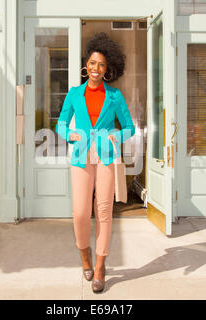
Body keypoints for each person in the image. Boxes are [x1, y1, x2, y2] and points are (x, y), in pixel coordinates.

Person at [55, 32, 135, 293]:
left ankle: (100, 266)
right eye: (92, 63)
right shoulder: (75, 94)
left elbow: (129, 128)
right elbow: (61, 124)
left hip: (106, 157)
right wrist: (70, 134)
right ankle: (85, 256)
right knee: (80, 212)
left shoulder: (115, 96)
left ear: (107, 68)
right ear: (85, 65)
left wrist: (116, 134)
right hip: (81, 157)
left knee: (103, 212)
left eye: (101, 64)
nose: (96, 69)